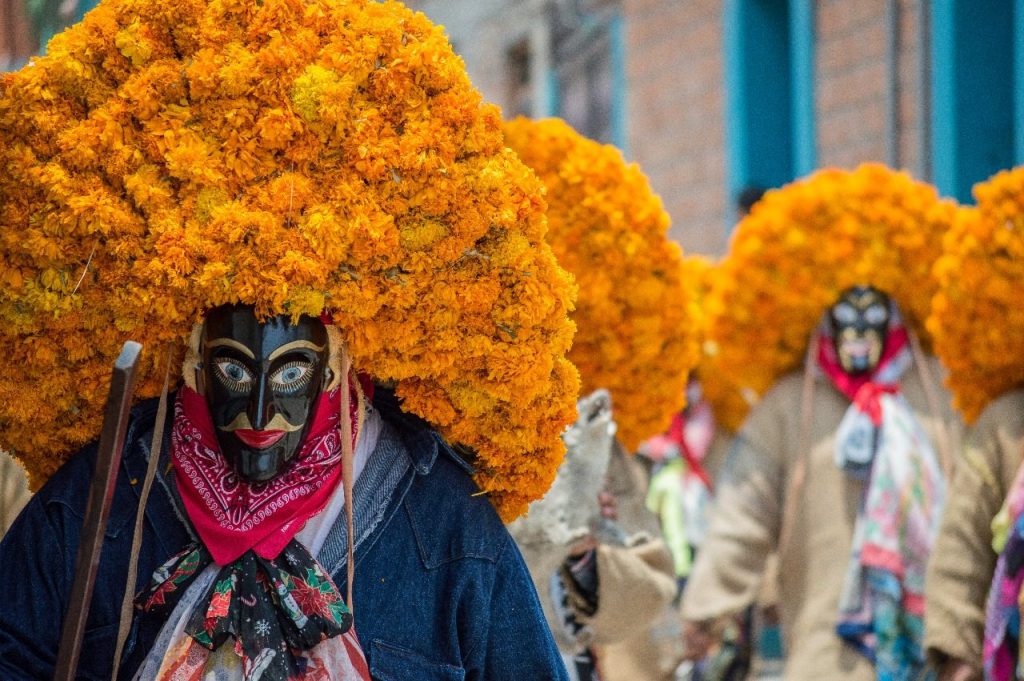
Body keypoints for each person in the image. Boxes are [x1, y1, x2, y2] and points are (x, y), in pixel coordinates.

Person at [0, 305, 569, 679]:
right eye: (235, 372)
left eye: (292, 374)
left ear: (332, 371)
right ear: (198, 366)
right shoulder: (103, 496)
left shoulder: (443, 524)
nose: (260, 410)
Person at [683, 284, 959, 680]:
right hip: (826, 656)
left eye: (874, 317)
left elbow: (978, 515)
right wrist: (706, 607)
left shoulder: (943, 391)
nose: (860, 333)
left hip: (940, 652)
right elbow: (742, 513)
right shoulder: (788, 405)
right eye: (847, 318)